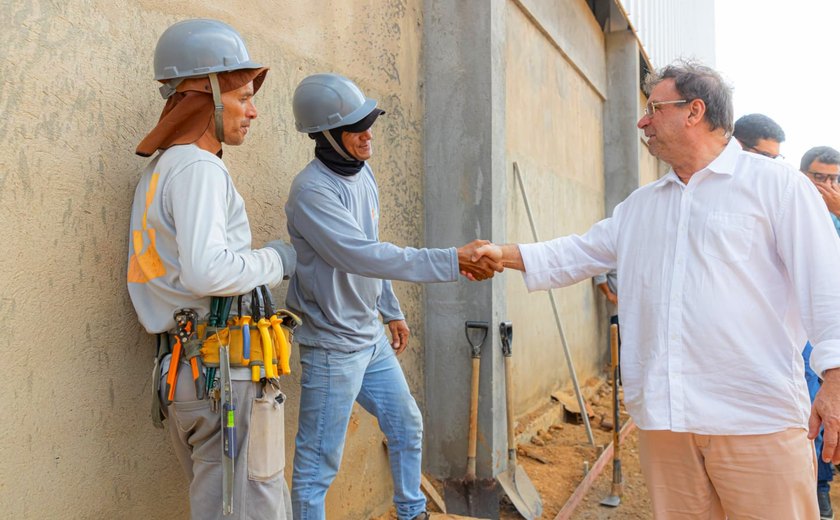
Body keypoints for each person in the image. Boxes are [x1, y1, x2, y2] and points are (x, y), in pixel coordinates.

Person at [472, 61, 840, 519]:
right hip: (668, 421)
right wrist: (501, 254)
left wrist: (835, 379)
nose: (643, 121)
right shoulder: (641, 206)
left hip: (754, 418)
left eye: (654, 109)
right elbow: (579, 252)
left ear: (694, 111)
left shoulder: (777, 188)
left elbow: (827, 286)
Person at [285, 73, 501, 520]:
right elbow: (363, 255)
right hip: (332, 347)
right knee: (316, 467)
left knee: (407, 424)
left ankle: (412, 511)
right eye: (356, 128)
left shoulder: (363, 174)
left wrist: (389, 309)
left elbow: (374, 245)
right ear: (326, 136)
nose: (368, 136)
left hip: (368, 336)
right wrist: (452, 260)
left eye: (370, 123)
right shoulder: (312, 193)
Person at [127, 19, 295, 520]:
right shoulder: (199, 168)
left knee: (222, 506)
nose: (253, 109)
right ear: (208, 97)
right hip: (221, 372)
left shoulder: (161, 169)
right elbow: (205, 272)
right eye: (243, 95)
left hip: (187, 371)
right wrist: (276, 260)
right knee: (252, 507)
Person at [801, 145, 840, 519]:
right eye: (819, 177)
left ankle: (823, 483)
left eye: (835, 178)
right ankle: (815, 485)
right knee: (809, 409)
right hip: (802, 335)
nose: (828, 185)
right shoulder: (790, 213)